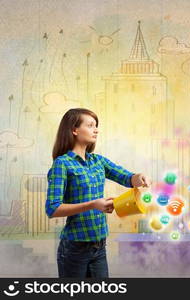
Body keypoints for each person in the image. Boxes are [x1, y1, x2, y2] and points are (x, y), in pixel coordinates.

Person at [45, 108, 151, 278]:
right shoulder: (62, 164)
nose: (96, 129)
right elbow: (52, 209)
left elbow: (127, 178)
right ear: (74, 130)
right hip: (74, 249)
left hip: (99, 247)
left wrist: (138, 177)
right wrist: (93, 204)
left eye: (96, 126)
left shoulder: (98, 161)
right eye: (90, 125)